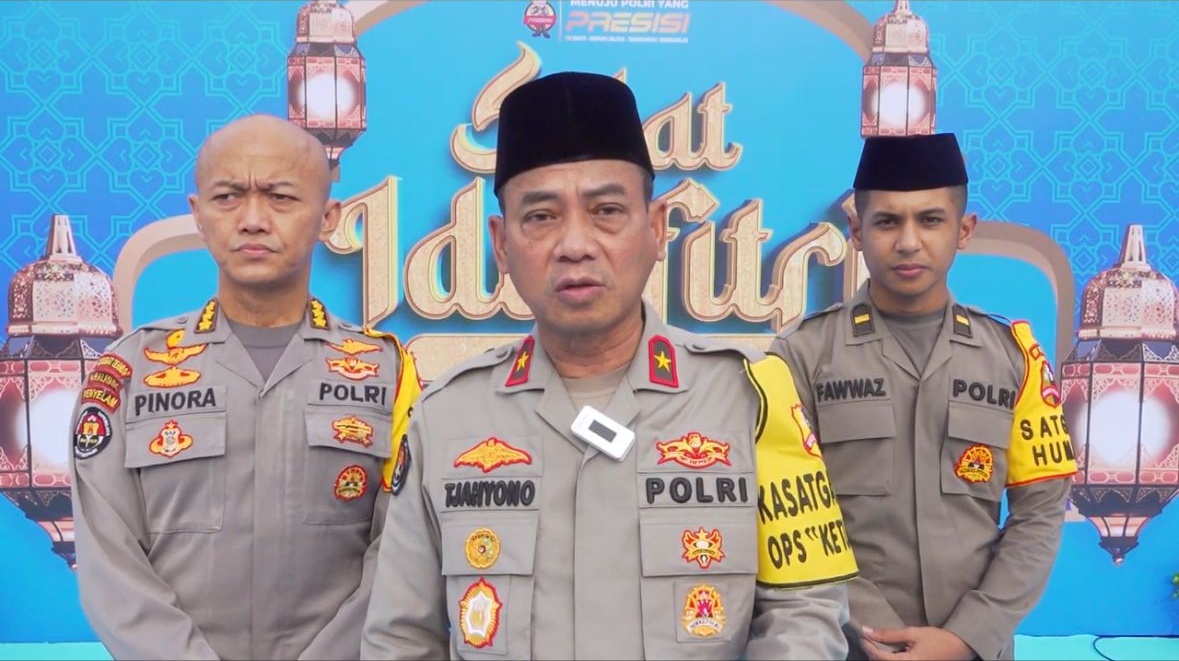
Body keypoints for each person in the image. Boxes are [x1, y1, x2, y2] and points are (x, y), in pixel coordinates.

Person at [361, 71, 857, 660]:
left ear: (655, 228)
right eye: (541, 216)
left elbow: (806, 608)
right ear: (501, 243)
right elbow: (400, 637)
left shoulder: (752, 397)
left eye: (606, 211)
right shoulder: (447, 417)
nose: (575, 244)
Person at [69, 114, 421, 660]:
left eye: (281, 197)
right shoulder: (129, 371)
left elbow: (404, 552)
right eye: (228, 197)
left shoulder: (387, 372)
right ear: (198, 214)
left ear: (328, 217)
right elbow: (110, 565)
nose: (253, 220)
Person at [770, 133, 1077, 661]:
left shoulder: (1015, 357)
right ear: (857, 231)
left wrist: (968, 636)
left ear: (964, 229)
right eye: (887, 222)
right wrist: (877, 632)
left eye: (931, 220)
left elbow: (1041, 513)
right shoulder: (799, 356)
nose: (908, 241)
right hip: (845, 646)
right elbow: (790, 517)